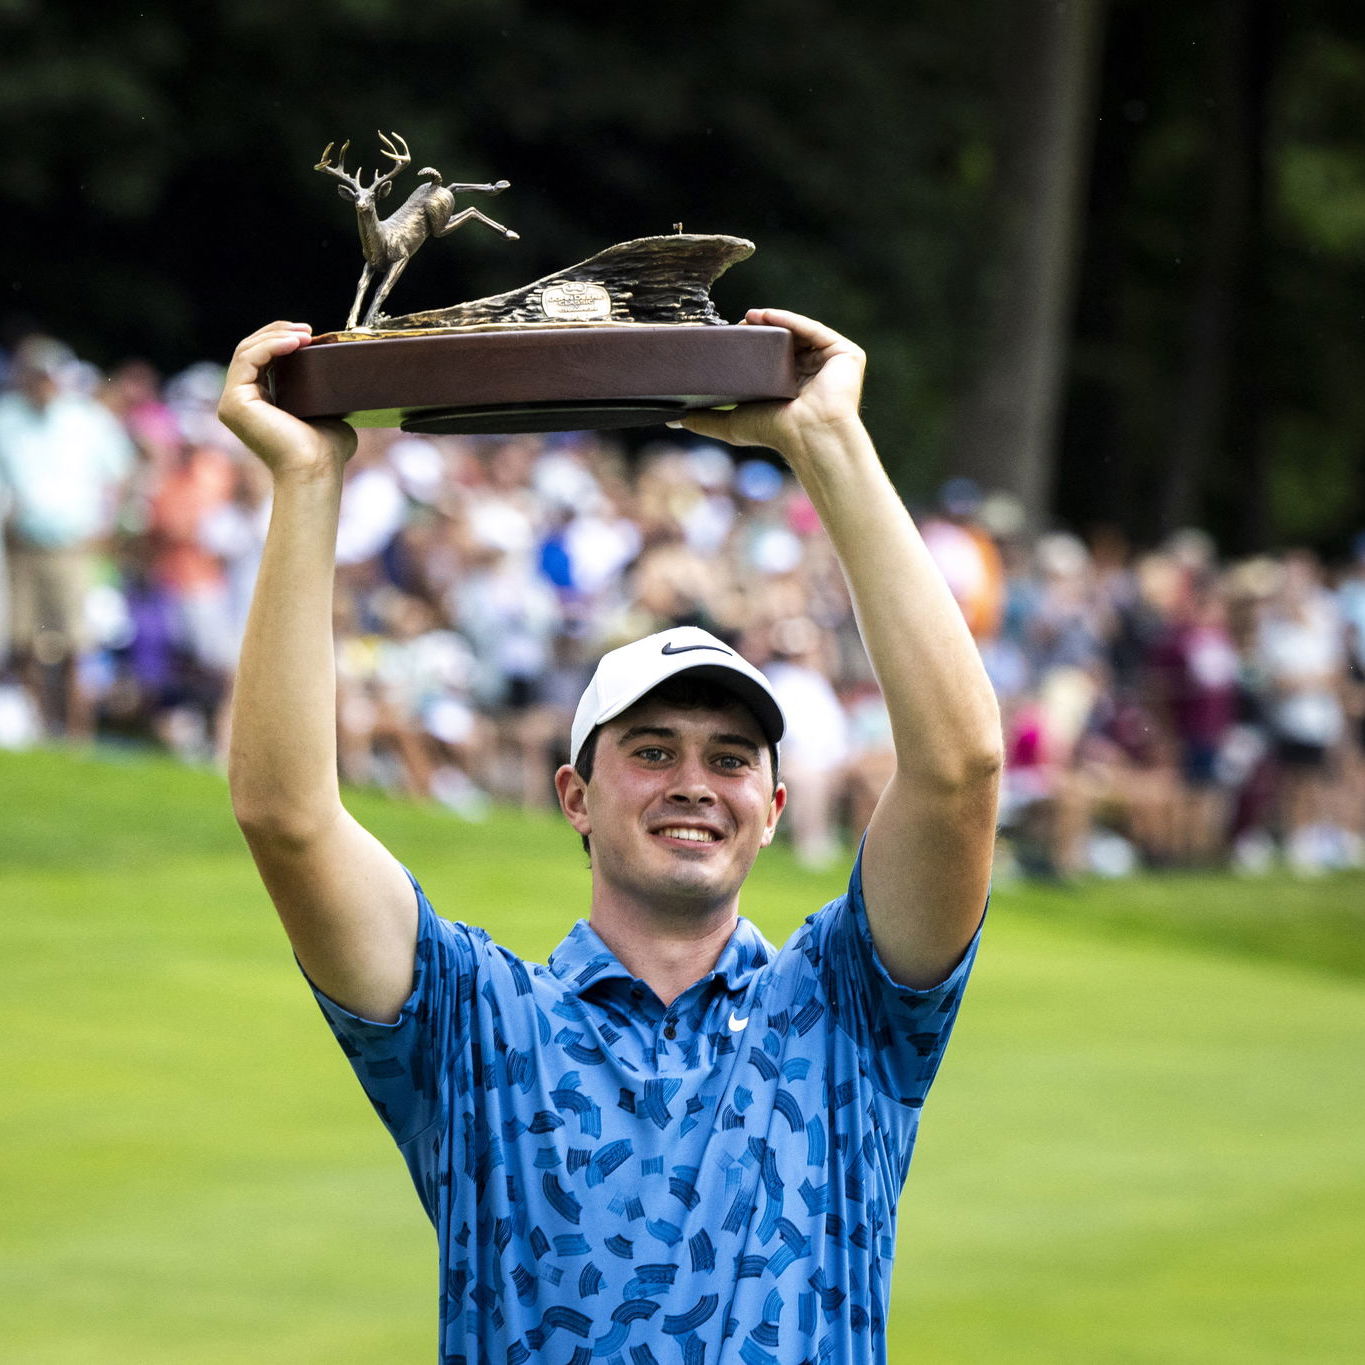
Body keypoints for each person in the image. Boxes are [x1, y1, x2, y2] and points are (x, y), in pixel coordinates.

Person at [217, 310, 1002, 1363]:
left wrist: (829, 443)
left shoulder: (845, 1012)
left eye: (731, 759)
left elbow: (959, 773)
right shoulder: (476, 1023)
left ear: (773, 810)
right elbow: (288, 817)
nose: (694, 784)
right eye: (652, 750)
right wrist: (307, 483)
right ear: (575, 795)